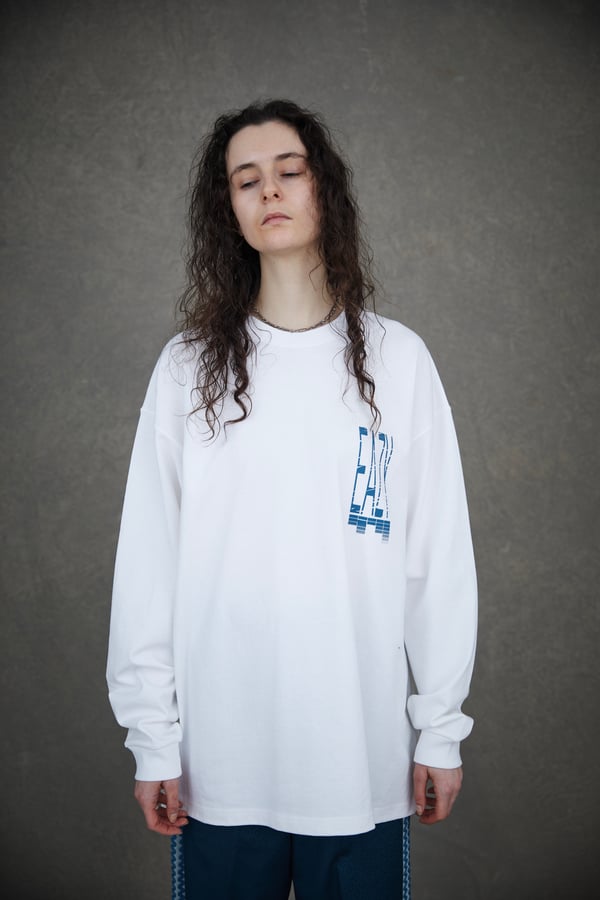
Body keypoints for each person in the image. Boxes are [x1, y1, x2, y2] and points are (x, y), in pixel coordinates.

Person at [107, 99, 477, 900]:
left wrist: (439, 729)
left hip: (360, 763)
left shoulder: (398, 363)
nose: (269, 191)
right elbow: (149, 564)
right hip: (220, 767)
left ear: (324, 191)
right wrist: (152, 739)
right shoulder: (188, 370)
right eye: (246, 180)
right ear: (229, 211)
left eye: (289, 171)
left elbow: (435, 560)